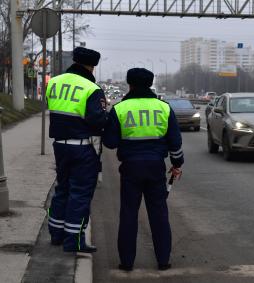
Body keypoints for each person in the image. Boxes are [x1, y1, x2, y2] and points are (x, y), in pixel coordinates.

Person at [103, 68, 184, 272]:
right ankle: (163, 260)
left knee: (129, 214)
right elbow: (175, 141)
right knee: (159, 214)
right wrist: (177, 164)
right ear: (150, 84)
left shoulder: (120, 109)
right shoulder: (164, 108)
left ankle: (127, 262)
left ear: (129, 84)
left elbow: (110, 143)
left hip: (130, 168)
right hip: (156, 167)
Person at [46, 47, 107, 253]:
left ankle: (56, 234)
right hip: (82, 149)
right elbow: (97, 120)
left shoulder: (54, 82)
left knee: (62, 189)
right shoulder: (91, 88)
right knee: (80, 193)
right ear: (91, 66)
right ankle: (75, 241)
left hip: (59, 146)